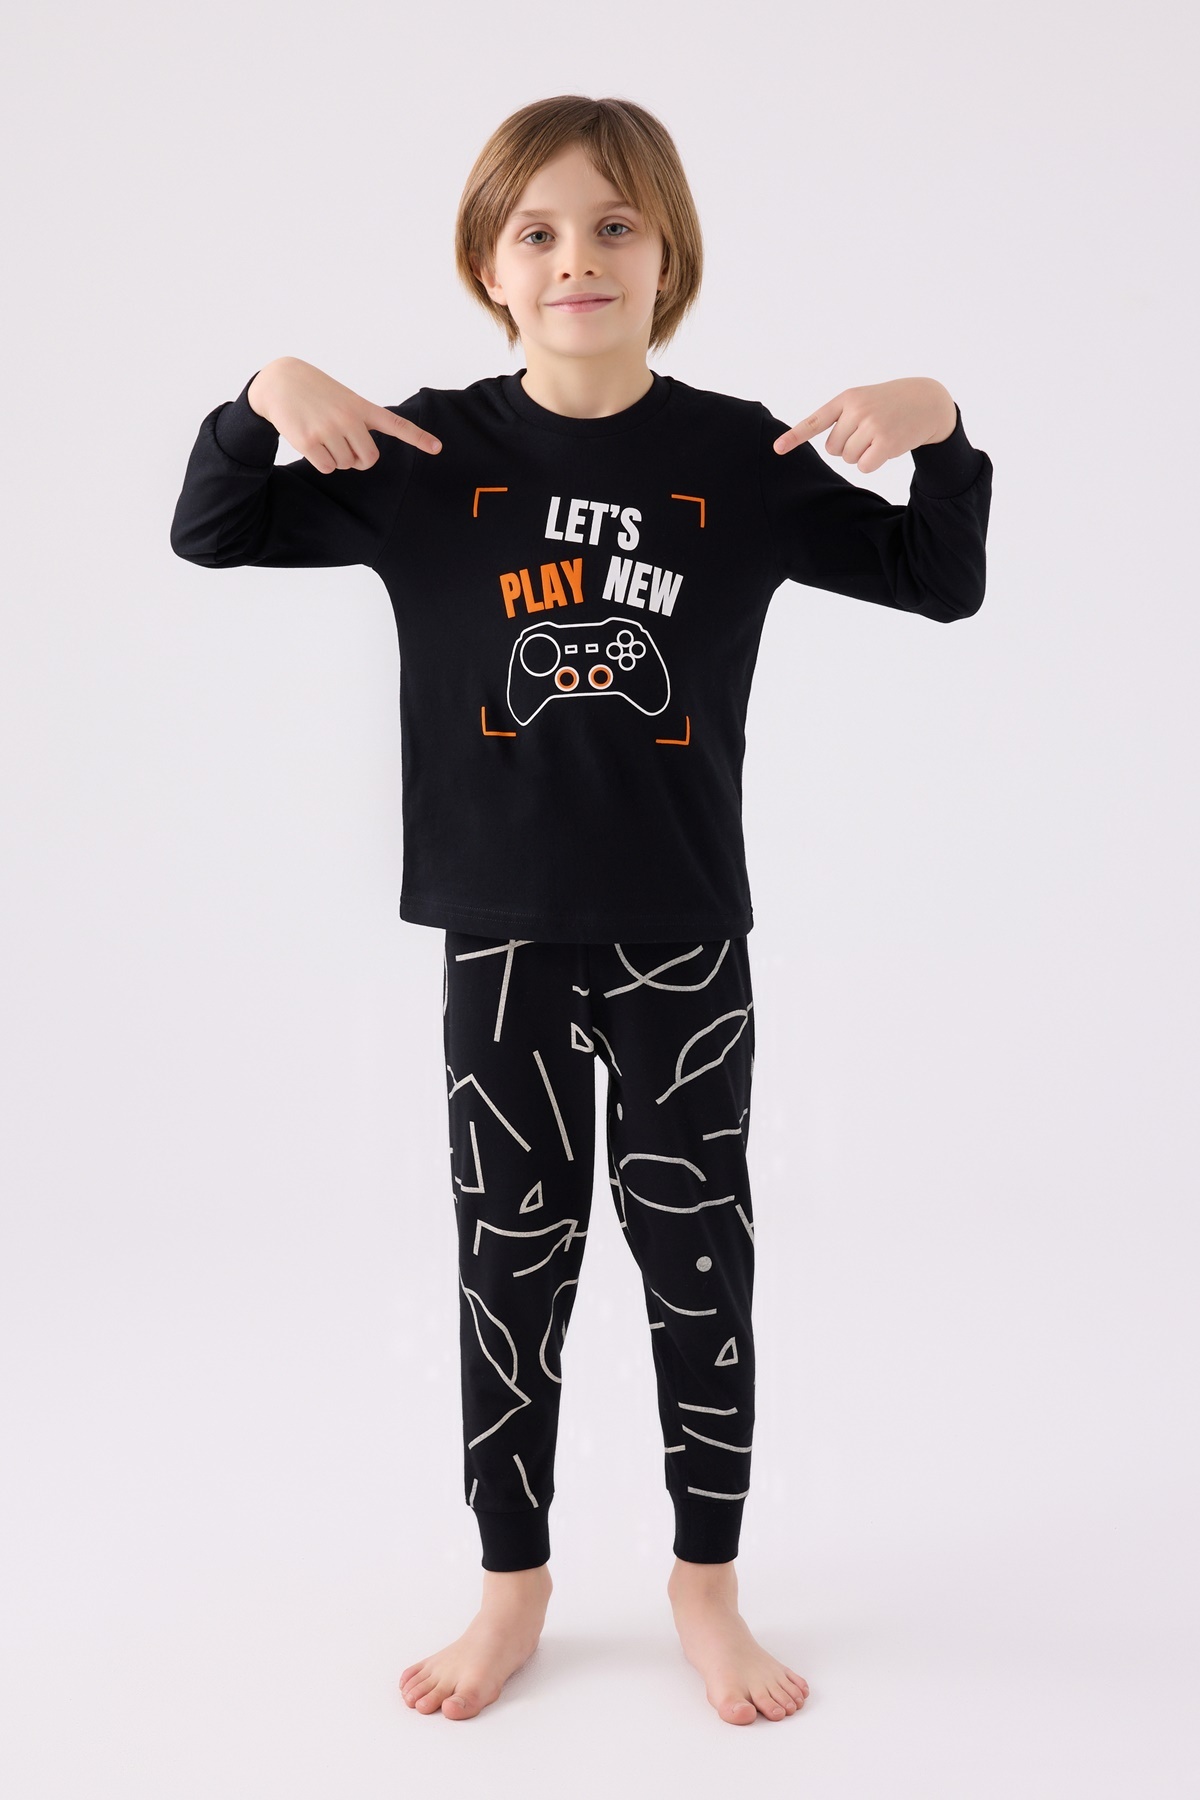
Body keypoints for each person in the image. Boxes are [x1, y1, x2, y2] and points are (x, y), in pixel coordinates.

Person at [170, 93, 992, 1727]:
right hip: (503, 942)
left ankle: (706, 1585)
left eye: (614, 225)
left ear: (669, 253)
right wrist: (264, 392)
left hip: (684, 937)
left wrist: (946, 425)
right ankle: (513, 1584)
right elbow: (213, 527)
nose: (576, 259)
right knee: (510, 1268)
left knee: (700, 1266)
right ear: (489, 263)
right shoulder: (425, 457)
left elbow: (940, 577)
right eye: (537, 230)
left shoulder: (739, 461)